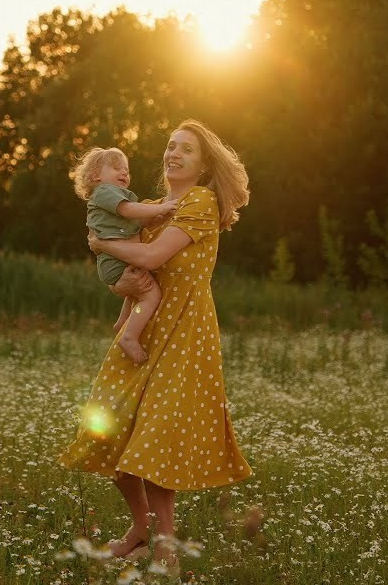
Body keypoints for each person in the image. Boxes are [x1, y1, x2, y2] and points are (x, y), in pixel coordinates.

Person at [59, 119, 253, 570]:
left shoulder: (200, 202)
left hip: (185, 330)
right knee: (112, 430)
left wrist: (100, 242)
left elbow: (149, 257)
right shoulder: (148, 207)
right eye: (170, 146)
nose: (174, 154)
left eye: (186, 149)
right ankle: (140, 531)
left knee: (155, 438)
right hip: (142, 330)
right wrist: (117, 286)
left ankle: (163, 544)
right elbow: (130, 275)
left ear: (203, 164)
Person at [70, 146, 178, 364]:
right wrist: (161, 208)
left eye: (127, 170)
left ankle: (123, 323)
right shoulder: (104, 192)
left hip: (118, 261)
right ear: (96, 176)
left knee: (137, 291)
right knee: (151, 295)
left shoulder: (113, 197)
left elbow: (135, 221)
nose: (124, 173)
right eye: (117, 168)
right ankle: (129, 337)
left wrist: (156, 217)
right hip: (117, 263)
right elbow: (130, 211)